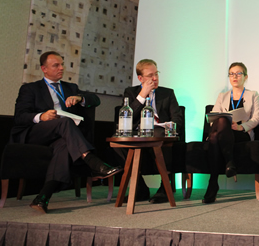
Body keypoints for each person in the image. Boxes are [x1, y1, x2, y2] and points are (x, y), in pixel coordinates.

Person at [12, 51, 123, 213]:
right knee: (63, 122)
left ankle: (42, 197)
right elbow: (20, 117)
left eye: (62, 64)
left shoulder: (70, 88)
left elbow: (95, 100)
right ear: (44, 68)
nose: (61, 68)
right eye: (56, 65)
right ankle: (92, 161)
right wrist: (41, 116)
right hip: (36, 133)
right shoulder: (30, 89)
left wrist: (80, 98)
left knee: (64, 145)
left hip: (63, 135)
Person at [118, 58, 184, 203]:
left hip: (161, 133)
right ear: (140, 78)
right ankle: (140, 188)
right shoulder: (130, 93)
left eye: (156, 74)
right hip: (138, 135)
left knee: (159, 135)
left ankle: (165, 187)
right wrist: (142, 95)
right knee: (118, 143)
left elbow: (178, 118)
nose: (155, 78)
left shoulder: (167, 93)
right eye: (150, 75)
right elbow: (128, 117)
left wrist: (169, 126)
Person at [202, 62, 259, 203]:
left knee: (214, 137)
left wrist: (241, 127)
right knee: (221, 122)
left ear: (245, 76)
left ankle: (213, 183)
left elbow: (256, 119)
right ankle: (229, 163)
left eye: (238, 73)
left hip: (241, 133)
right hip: (225, 132)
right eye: (231, 74)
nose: (234, 76)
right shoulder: (222, 96)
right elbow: (212, 119)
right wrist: (226, 123)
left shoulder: (253, 95)